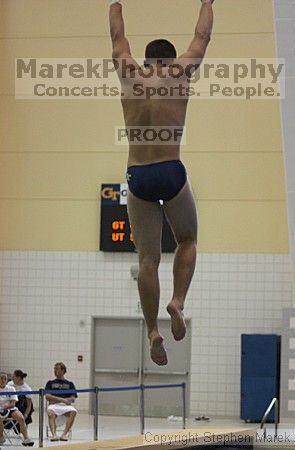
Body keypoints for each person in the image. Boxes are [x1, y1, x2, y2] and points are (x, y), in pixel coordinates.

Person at [109, 0, 215, 365]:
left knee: (147, 258)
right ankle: (178, 300)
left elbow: (118, 35)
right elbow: (202, 37)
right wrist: (206, 3)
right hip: (171, 170)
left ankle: (153, 330)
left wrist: (116, 3)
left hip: (138, 175)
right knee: (187, 239)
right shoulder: (179, 73)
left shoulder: (128, 73)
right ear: (170, 60)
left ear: (144, 59)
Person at [45, 362, 77, 442]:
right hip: (54, 405)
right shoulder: (50, 383)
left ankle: (64, 434)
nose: (55, 371)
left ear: (63, 370)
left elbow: (73, 398)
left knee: (73, 411)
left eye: (57, 369)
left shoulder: (70, 384)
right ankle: (54, 435)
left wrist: (58, 399)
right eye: (54, 369)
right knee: (50, 412)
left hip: (65, 406)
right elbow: (47, 396)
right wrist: (62, 399)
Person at [0, 371, 34, 446]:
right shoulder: (11, 384)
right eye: (1, 378)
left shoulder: (11, 388)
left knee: (21, 418)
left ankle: (26, 438)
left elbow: (13, 403)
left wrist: (4, 407)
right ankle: (1, 437)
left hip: (10, 409)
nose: (3, 380)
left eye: (5, 379)